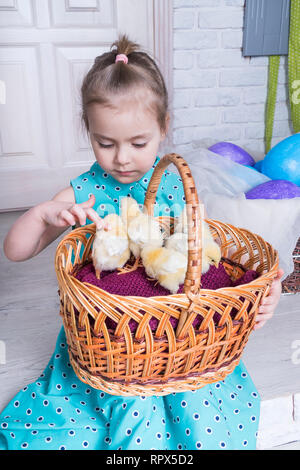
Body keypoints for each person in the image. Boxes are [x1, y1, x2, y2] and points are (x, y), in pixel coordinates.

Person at [0, 34, 283, 451]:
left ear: (163, 128)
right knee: (108, 413)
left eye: (138, 143)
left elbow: (213, 254)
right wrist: (44, 214)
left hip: (178, 337)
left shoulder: (173, 184)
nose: (122, 159)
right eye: (105, 143)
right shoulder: (87, 192)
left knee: (201, 413)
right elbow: (15, 250)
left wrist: (269, 286)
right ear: (89, 132)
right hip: (111, 342)